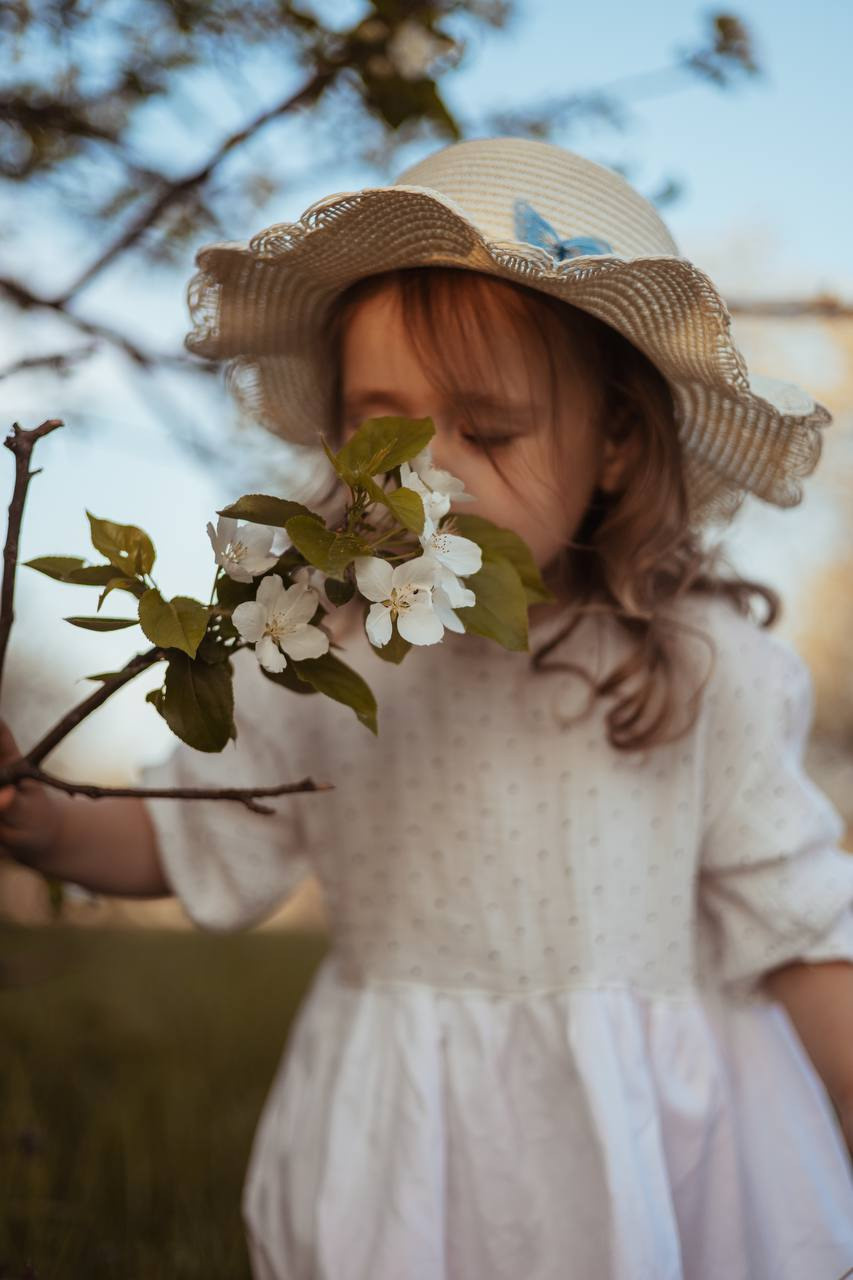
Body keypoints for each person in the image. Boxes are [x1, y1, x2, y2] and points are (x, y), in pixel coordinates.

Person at [3, 136, 853, 1279]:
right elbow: (195, 823)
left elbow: (799, 932)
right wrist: (40, 816)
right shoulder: (314, 646)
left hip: (646, 1139)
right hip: (405, 1127)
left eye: (488, 429)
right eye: (379, 428)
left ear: (612, 441)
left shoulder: (704, 667)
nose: (423, 480)